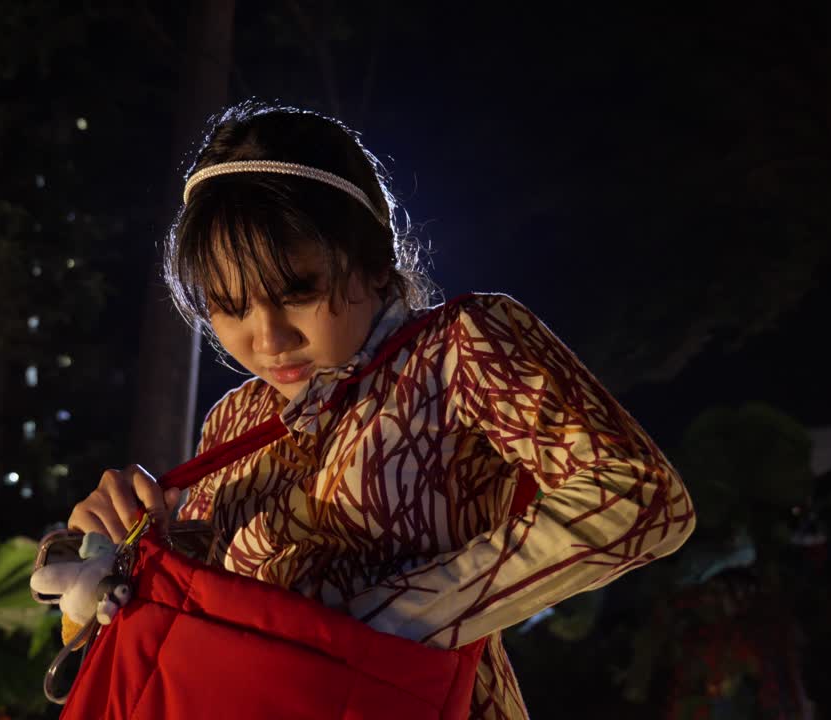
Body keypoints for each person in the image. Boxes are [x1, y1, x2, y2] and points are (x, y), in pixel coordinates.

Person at [63, 99, 697, 719]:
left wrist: (385, 622)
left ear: (370, 262)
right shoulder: (234, 421)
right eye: (230, 308)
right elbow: (180, 631)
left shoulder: (459, 347)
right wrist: (103, 553)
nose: (269, 338)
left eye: (298, 292)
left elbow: (640, 496)